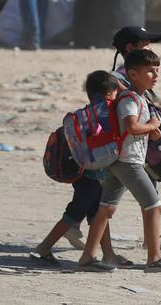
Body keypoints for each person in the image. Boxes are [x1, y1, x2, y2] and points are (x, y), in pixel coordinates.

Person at [78, 49, 161, 273]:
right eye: (150, 72)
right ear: (133, 74)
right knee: (154, 206)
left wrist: (151, 130)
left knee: (106, 209)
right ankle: (154, 259)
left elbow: (137, 129)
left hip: (119, 159)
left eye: (157, 71)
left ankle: (88, 257)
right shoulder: (130, 99)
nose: (155, 76)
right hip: (128, 161)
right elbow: (132, 126)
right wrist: (153, 125)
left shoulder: (138, 99)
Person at [30, 70, 130, 267]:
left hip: (82, 172)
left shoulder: (85, 113)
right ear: (109, 94)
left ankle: (108, 254)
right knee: (75, 213)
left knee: (98, 214)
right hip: (94, 176)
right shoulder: (106, 112)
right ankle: (43, 248)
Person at [110, 26, 161, 132]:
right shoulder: (118, 80)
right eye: (146, 45)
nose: (151, 49)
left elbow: (147, 105)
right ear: (130, 48)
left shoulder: (140, 75)